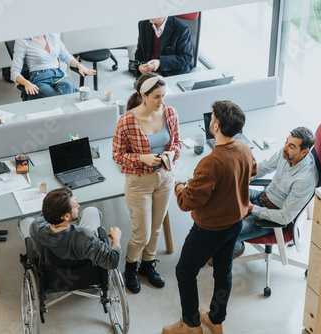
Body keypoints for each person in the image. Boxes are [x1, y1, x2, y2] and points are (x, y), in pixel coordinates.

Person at [163, 101, 257, 334]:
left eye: (212, 118)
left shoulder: (211, 162)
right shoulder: (244, 147)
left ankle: (191, 325)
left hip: (209, 229)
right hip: (235, 222)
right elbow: (251, 171)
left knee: (185, 272)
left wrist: (179, 186)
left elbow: (187, 203)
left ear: (215, 125)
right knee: (223, 271)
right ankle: (216, 319)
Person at [112, 72, 182, 294]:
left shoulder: (170, 113)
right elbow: (117, 155)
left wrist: (171, 155)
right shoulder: (126, 121)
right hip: (139, 181)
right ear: (143, 95)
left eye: (163, 96)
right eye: (157, 97)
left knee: (156, 227)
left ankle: (147, 264)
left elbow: (177, 143)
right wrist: (141, 158)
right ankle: (130, 267)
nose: (162, 101)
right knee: (142, 231)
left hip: (165, 177)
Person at [228, 127, 318, 261]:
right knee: (223, 193)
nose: (285, 148)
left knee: (229, 233)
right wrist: (244, 176)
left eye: (291, 146)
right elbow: (264, 167)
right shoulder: (286, 153)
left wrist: (252, 208)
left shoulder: (304, 180)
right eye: (286, 142)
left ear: (304, 152)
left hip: (272, 216)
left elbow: (284, 217)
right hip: (262, 197)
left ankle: (236, 247)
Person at [17, 187, 122, 270]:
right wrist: (116, 238)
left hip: (50, 267)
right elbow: (113, 261)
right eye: (75, 206)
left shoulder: (36, 228)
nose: (78, 206)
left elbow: (43, 216)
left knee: (24, 221)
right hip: (83, 267)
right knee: (91, 211)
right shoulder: (84, 236)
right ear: (66, 216)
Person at [10, 34, 96, 100]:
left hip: (58, 75)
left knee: (69, 85)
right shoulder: (22, 41)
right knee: (58, 98)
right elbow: (14, 72)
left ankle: (60, 119)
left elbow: (65, 55)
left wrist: (79, 65)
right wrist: (26, 83)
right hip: (40, 79)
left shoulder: (53, 35)